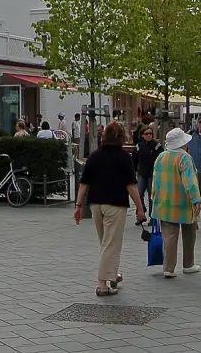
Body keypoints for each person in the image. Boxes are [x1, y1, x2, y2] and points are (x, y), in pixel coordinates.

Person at [73, 121, 146, 297]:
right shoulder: (124, 157)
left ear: (104, 136)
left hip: (96, 204)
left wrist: (78, 206)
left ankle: (113, 274)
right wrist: (140, 208)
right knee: (111, 244)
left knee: (105, 242)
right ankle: (102, 285)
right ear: (121, 138)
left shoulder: (94, 156)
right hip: (115, 204)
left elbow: (84, 184)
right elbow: (131, 186)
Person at [151, 127, 201, 277]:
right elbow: (190, 181)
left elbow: (155, 180)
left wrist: (154, 197)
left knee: (169, 237)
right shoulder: (185, 158)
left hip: (164, 203)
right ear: (183, 143)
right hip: (184, 203)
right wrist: (196, 199)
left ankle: (168, 268)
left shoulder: (161, 157)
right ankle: (188, 264)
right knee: (189, 234)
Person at [133, 123, 162, 218]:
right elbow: (134, 159)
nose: (149, 135)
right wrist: (135, 169)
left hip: (152, 174)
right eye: (146, 134)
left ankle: (152, 216)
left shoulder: (156, 145)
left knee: (151, 196)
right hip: (141, 173)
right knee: (139, 194)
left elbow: (161, 158)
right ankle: (141, 212)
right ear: (142, 135)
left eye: (150, 133)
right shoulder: (139, 146)